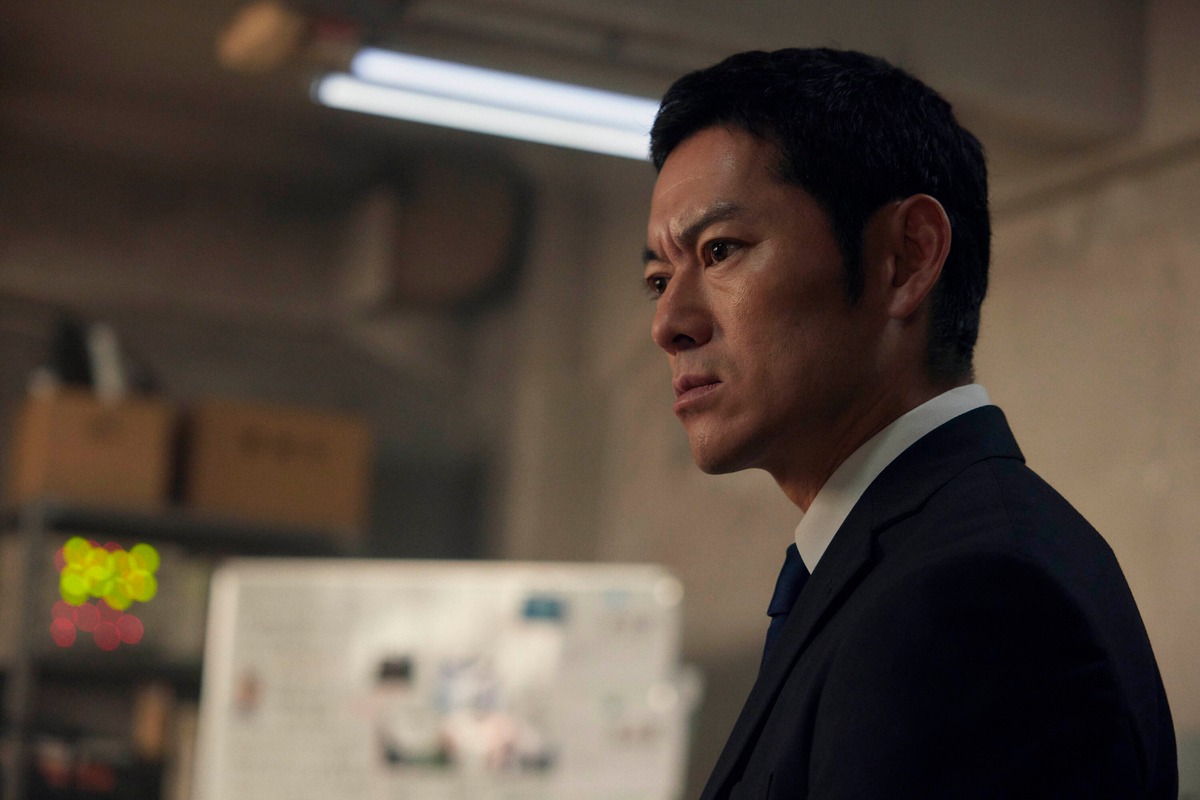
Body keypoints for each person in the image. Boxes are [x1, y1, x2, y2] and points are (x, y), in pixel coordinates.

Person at [642, 48, 1177, 799]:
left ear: (905, 258)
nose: (668, 323)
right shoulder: (910, 566)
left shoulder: (976, 600)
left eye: (720, 251)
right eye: (659, 279)